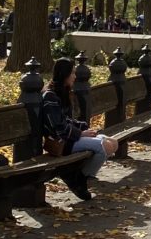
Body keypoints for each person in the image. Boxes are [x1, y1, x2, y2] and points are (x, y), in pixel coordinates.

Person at [41, 58, 118, 200]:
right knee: (103, 146)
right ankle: (80, 180)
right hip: (61, 142)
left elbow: (66, 120)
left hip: (70, 138)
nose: (75, 76)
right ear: (64, 74)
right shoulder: (50, 96)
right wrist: (81, 134)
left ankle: (75, 174)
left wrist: (84, 128)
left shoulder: (62, 91)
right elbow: (59, 128)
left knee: (114, 143)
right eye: (72, 73)